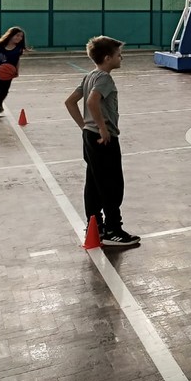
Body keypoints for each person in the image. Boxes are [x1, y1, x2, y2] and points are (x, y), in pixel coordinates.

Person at [63, 36, 140, 247]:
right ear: (107, 58)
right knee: (111, 184)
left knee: (94, 182)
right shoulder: (104, 79)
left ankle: (95, 224)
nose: (121, 58)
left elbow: (70, 102)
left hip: (89, 136)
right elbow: (92, 101)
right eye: (118, 55)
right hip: (103, 139)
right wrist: (102, 128)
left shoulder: (89, 76)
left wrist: (85, 126)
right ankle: (113, 230)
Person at [0, 26, 29, 121]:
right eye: (17, 35)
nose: (19, 38)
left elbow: (17, 60)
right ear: (10, 35)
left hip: (9, 73)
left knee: (4, 91)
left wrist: (17, 70)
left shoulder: (19, 49)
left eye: (21, 36)